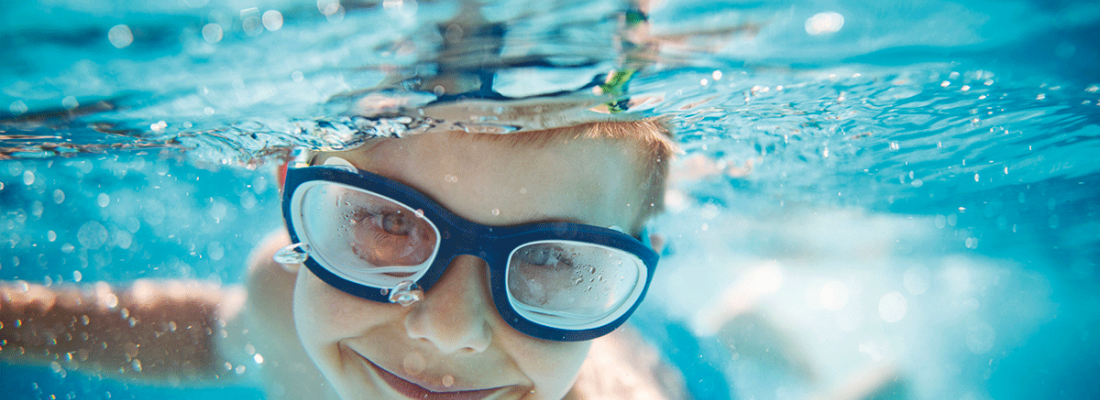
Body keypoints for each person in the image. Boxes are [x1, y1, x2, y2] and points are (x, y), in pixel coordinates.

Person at [1, 118, 687, 399]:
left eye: (557, 262)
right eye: (390, 223)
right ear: (295, 205)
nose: (450, 332)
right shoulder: (283, 303)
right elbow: (212, 335)